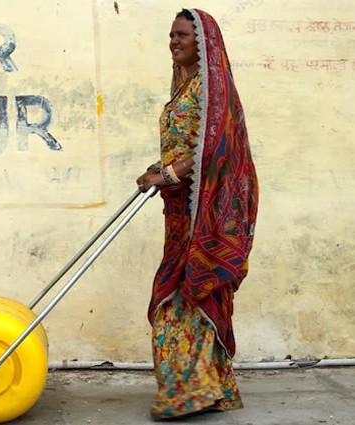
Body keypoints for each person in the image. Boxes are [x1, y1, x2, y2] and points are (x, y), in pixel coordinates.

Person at [136, 8, 259, 421]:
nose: (174, 41)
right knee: (175, 293)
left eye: (182, 35)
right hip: (179, 214)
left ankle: (190, 392)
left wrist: (167, 173)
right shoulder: (185, 87)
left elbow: (214, 149)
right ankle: (208, 387)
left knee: (185, 295)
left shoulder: (211, 88)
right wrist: (158, 170)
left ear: (202, 42)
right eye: (171, 35)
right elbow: (183, 143)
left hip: (204, 212)